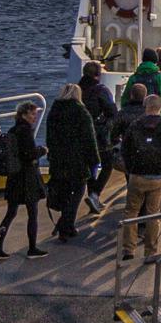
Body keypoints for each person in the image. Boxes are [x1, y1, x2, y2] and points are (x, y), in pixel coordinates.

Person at [117, 93, 161, 259]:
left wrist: (130, 169)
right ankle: (151, 251)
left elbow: (125, 149)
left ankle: (128, 249)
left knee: (131, 212)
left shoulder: (135, 126)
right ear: (160, 108)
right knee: (153, 215)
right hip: (157, 176)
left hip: (137, 175)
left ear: (145, 106)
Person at [44, 82, 102, 242]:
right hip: (77, 160)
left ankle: (65, 225)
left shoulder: (54, 111)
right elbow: (89, 138)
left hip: (58, 160)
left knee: (63, 192)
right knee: (77, 191)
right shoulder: (81, 111)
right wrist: (94, 160)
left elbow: (49, 137)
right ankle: (65, 224)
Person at [0, 101, 48, 258]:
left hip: (14, 177)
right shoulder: (26, 131)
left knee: (10, 213)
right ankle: (32, 248)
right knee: (32, 213)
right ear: (24, 114)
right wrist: (42, 150)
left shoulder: (13, 130)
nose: (34, 118)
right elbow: (29, 154)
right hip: (27, 177)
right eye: (32, 114)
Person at [77, 60, 117, 213]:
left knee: (90, 167)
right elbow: (112, 112)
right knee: (107, 164)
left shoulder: (77, 89)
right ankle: (95, 194)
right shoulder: (101, 90)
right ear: (98, 75)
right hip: (98, 136)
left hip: (80, 136)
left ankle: (93, 196)